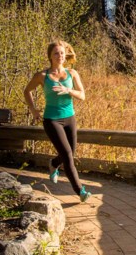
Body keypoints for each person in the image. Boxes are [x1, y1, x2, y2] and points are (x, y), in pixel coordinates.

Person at [23, 40, 92, 202]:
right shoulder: (43, 76)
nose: (60, 56)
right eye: (56, 53)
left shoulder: (72, 73)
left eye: (61, 53)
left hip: (70, 118)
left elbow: (82, 96)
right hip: (52, 120)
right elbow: (27, 91)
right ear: (50, 56)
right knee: (67, 155)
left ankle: (53, 164)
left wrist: (68, 90)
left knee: (70, 153)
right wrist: (33, 110)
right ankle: (80, 191)